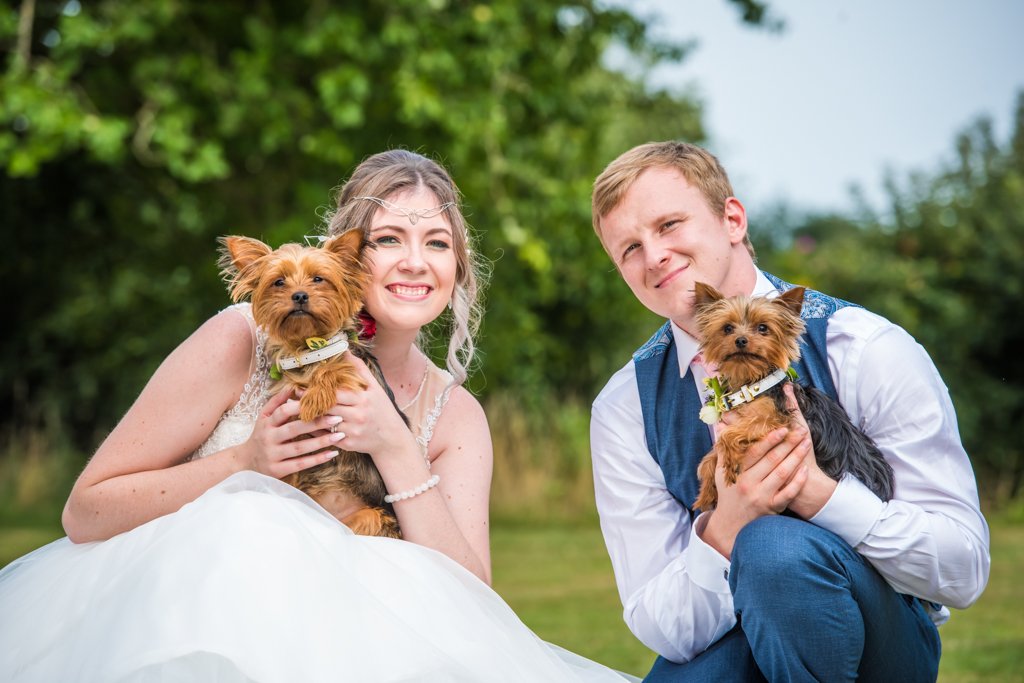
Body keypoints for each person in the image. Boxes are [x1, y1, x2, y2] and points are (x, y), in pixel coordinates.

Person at [0, 150, 634, 682]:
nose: (416, 260)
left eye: (437, 243)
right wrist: (247, 462)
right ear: (350, 260)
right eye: (389, 239)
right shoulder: (240, 340)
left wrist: (395, 444)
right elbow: (85, 511)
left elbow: (474, 602)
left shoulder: (454, 414)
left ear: (457, 270)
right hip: (209, 625)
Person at [588, 141, 990, 682]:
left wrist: (820, 497)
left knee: (776, 551)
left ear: (732, 219)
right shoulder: (625, 406)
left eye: (669, 225)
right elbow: (663, 626)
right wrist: (727, 526)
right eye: (628, 248)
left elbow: (963, 568)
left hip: (879, 638)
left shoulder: (864, 347)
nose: (653, 255)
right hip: (729, 632)